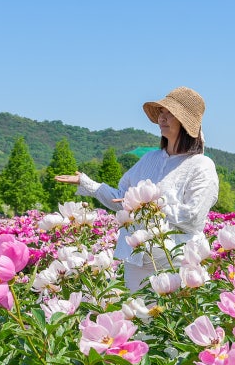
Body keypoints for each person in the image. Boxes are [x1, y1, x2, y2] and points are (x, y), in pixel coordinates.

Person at [55, 86, 219, 291]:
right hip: (137, 261)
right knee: (138, 317)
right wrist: (87, 184)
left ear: (185, 123)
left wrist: (151, 205)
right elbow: (122, 199)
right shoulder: (149, 159)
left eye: (170, 114)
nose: (162, 118)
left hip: (177, 261)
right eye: (161, 112)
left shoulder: (200, 165)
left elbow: (193, 217)